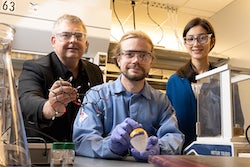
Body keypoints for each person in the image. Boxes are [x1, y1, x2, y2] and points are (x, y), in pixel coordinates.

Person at [73, 30, 184, 162]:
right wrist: (110, 146)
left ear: (151, 61)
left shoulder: (161, 101)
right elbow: (82, 140)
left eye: (143, 55)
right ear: (118, 59)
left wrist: (159, 148)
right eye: (129, 54)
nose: (136, 60)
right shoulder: (96, 96)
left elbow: (174, 136)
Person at [18, 14, 103, 142]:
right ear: (53, 41)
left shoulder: (94, 71)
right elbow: (26, 100)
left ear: (86, 43)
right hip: (44, 149)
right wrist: (50, 107)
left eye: (78, 36)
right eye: (66, 35)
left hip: (84, 149)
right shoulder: (35, 68)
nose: (73, 40)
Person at [166, 17, 217, 148]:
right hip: (183, 150)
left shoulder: (222, 79)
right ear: (185, 43)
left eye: (202, 38)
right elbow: (167, 120)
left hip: (217, 149)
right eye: (190, 39)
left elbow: (237, 120)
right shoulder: (175, 81)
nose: (196, 44)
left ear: (212, 41)